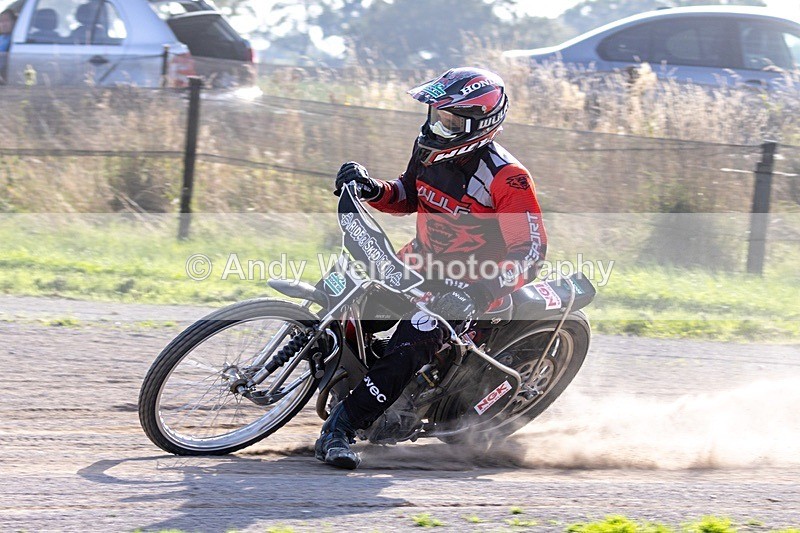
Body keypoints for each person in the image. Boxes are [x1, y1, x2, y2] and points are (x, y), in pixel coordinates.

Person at [315, 67, 548, 469]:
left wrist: (477, 293)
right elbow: (407, 194)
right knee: (341, 300)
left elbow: (530, 252)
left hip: (470, 287)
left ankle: (343, 428)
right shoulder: (429, 148)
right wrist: (371, 188)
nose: (439, 125)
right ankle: (343, 378)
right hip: (418, 263)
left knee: (414, 337)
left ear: (480, 124)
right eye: (437, 115)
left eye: (452, 120)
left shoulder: (508, 179)